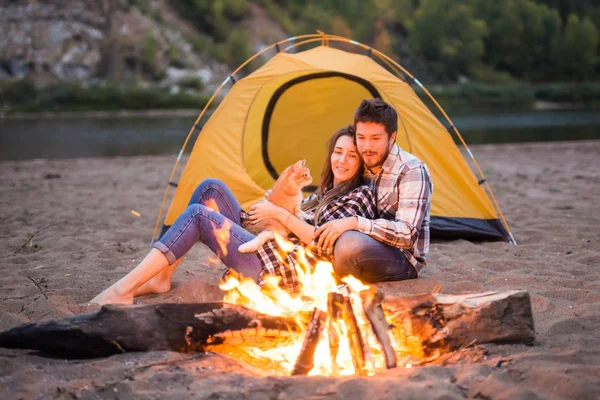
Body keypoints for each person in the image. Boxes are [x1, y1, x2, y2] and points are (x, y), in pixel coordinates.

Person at [90, 125, 376, 305]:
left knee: (199, 216)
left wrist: (278, 213)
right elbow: (289, 221)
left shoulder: (359, 195)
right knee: (209, 189)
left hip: (283, 268)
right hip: (271, 244)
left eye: (352, 155)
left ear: (361, 161)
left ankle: (124, 289)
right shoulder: (325, 191)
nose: (342, 160)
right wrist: (268, 213)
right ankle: (160, 278)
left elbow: (321, 241)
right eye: (338, 152)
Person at [311, 98, 433, 283]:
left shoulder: (412, 170)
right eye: (361, 138)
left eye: (375, 138)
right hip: (362, 240)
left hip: (401, 257)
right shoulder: (362, 160)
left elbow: (408, 234)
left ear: (392, 137)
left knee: (348, 244)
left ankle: (337, 288)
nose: (366, 147)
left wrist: (354, 222)